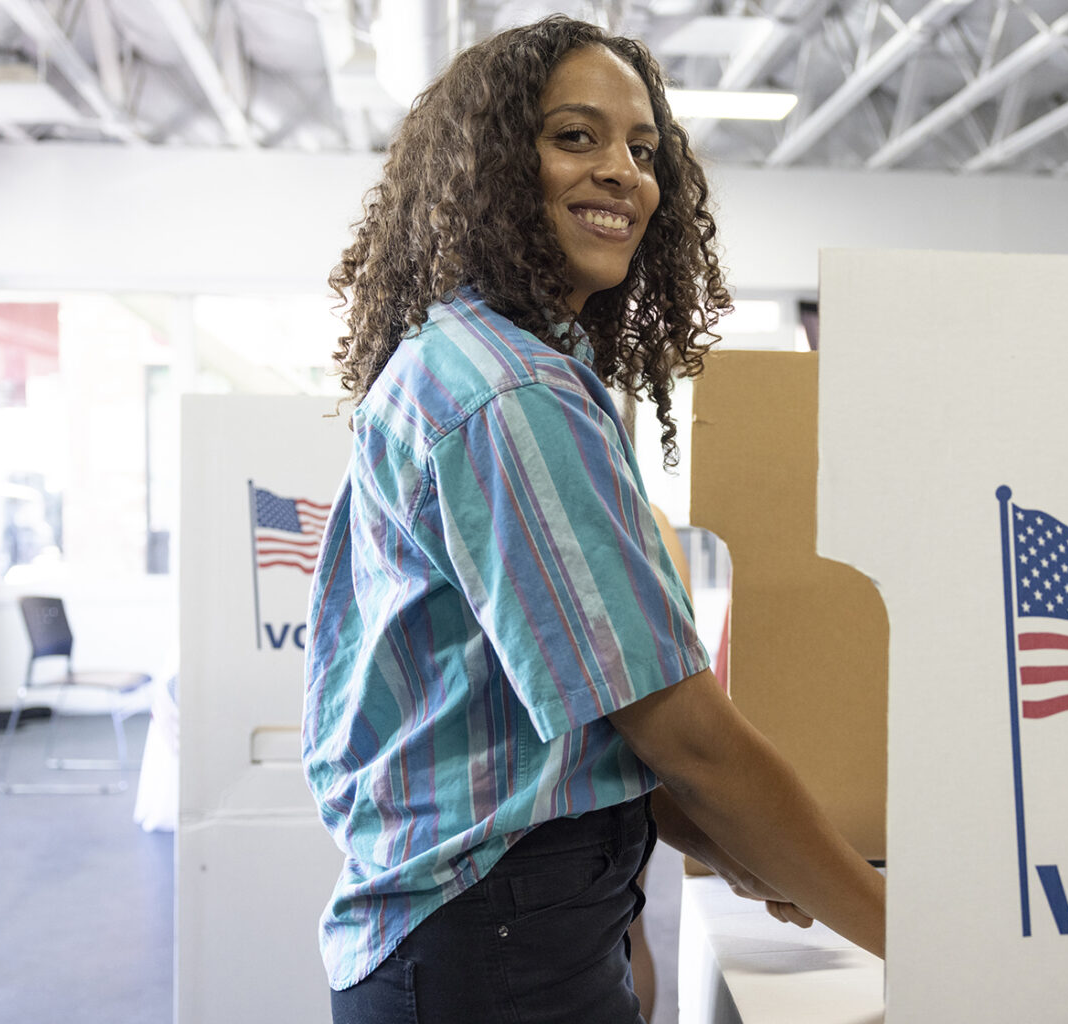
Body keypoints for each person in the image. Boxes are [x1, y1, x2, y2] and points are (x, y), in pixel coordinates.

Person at [303, 16, 885, 1024]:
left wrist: (749, 849)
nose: (623, 171)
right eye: (576, 137)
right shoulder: (511, 391)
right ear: (491, 168)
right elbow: (685, 736)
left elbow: (578, 739)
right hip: (495, 951)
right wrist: (903, 925)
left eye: (643, 149)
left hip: (485, 935)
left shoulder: (484, 359)